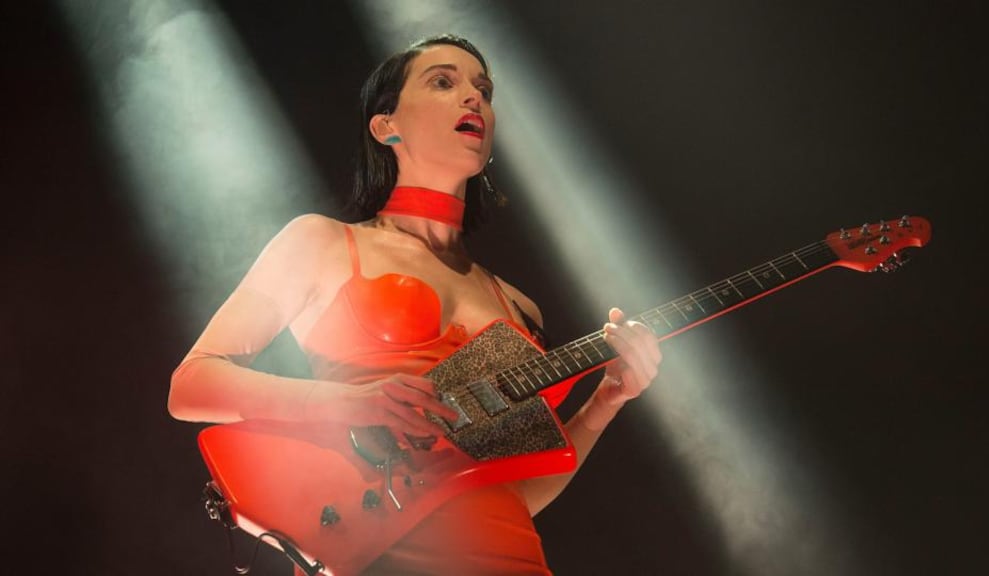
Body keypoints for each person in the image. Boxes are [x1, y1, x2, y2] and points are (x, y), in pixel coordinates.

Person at [168, 34, 662, 575]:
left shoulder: (518, 305)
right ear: (387, 125)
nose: (474, 98)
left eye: (484, 89)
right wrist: (346, 403)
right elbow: (192, 384)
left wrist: (604, 404)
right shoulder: (321, 243)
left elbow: (511, 491)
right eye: (443, 82)